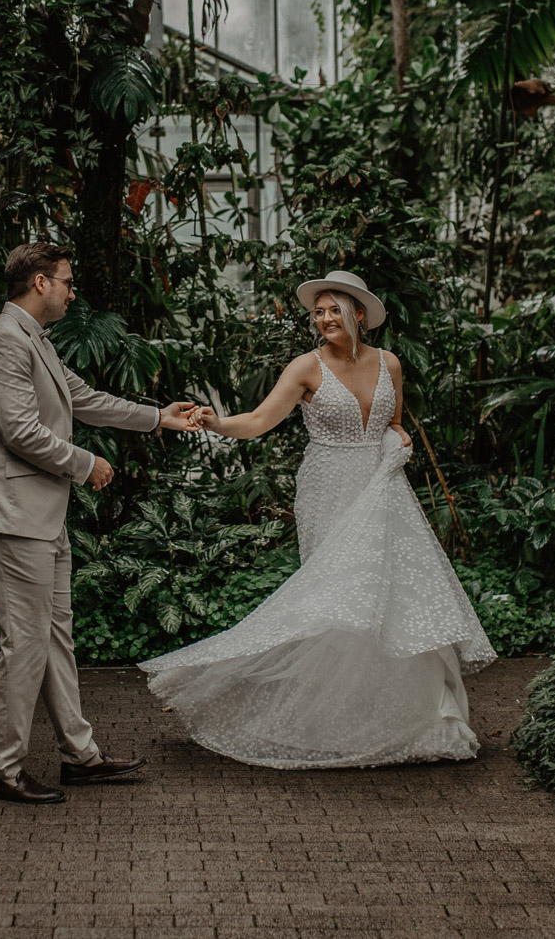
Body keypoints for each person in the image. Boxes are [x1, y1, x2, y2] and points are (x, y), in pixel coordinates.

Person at [141, 270, 496, 769]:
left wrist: (400, 440)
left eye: (333, 310)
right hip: (328, 487)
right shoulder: (305, 368)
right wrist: (216, 422)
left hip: (384, 487)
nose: (324, 319)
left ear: (358, 314)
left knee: (395, 595)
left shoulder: (389, 362)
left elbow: (392, 423)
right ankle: (336, 716)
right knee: (339, 598)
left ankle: (412, 717)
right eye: (318, 312)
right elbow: (261, 421)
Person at [0, 240, 200, 804]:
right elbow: (19, 431)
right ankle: (2, 769)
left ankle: (80, 755)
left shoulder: (31, 338)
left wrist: (157, 417)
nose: (72, 290)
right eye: (67, 281)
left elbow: (80, 397)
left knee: (53, 637)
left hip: (39, 514)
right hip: (10, 514)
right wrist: (85, 463)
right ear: (39, 282)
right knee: (24, 643)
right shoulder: (2, 341)